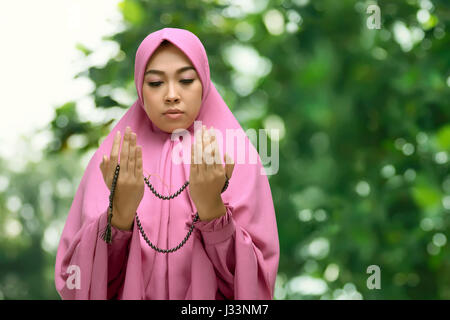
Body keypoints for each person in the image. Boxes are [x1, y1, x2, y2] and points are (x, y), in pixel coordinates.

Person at [54, 27, 279, 300]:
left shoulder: (235, 156)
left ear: (204, 83)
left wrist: (212, 209)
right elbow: (78, 284)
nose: (171, 94)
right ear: (140, 88)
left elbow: (255, 287)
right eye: (156, 83)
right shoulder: (116, 158)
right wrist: (119, 216)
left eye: (185, 80)